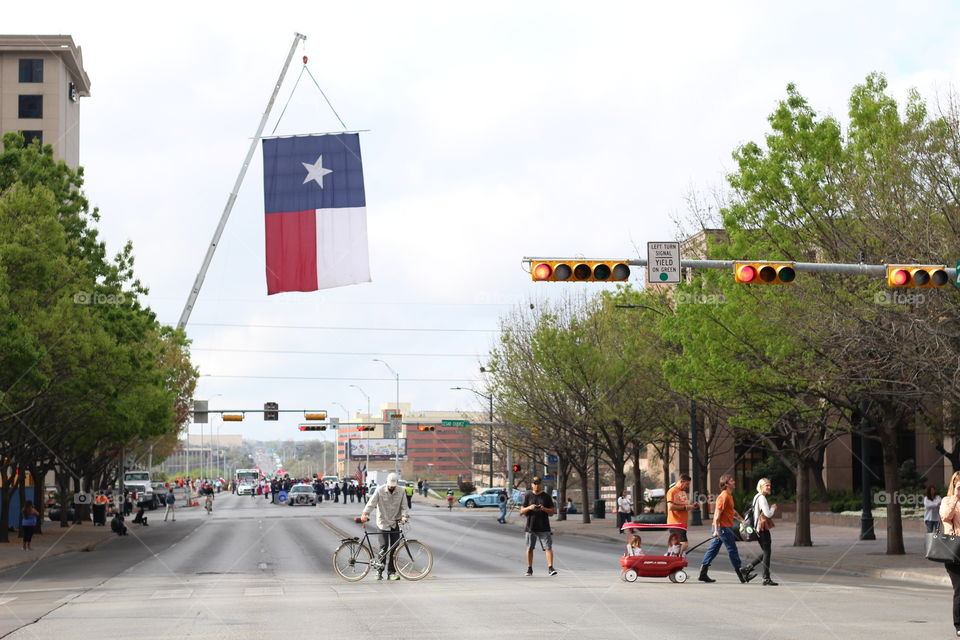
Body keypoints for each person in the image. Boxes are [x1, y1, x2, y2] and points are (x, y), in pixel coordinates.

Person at [698, 474, 754, 584]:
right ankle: (741, 574)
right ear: (726, 484)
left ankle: (703, 573)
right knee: (732, 549)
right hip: (722, 527)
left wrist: (742, 520)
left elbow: (732, 511)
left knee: (713, 550)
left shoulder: (729, 496)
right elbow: (717, 514)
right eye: (731, 480)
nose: (734, 481)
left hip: (722, 527)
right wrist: (716, 530)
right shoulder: (723, 496)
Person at [360, 472, 409, 581]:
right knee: (384, 546)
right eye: (390, 484)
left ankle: (391, 572)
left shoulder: (401, 491)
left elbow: (404, 506)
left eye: (394, 484)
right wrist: (365, 513)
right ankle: (379, 571)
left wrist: (404, 516)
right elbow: (371, 503)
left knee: (394, 549)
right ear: (387, 482)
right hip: (382, 522)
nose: (392, 486)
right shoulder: (380, 490)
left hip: (394, 522)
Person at [741, 478, 778, 586]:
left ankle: (747, 569)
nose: (769, 487)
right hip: (762, 529)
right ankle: (766, 578)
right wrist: (773, 508)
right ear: (761, 486)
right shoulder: (762, 498)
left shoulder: (756, 496)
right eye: (767, 485)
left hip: (758, 529)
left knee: (766, 552)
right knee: (767, 553)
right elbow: (768, 514)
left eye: (769, 485)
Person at [521, 476, 557, 577]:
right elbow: (521, 511)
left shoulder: (546, 496)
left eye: (538, 483)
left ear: (541, 484)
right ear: (532, 485)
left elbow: (552, 512)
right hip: (530, 526)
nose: (536, 485)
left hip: (544, 526)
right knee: (529, 548)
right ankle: (529, 568)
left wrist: (544, 508)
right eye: (534, 483)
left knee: (548, 547)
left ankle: (550, 568)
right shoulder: (528, 496)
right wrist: (529, 507)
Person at [939, 470, 960, 636]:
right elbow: (946, 517)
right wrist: (956, 498)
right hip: (954, 551)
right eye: (958, 484)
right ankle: (959, 625)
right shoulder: (947, 501)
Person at [666, 474, 696, 555]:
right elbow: (670, 507)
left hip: (682, 524)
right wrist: (685, 507)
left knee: (678, 545)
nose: (688, 486)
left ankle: (671, 556)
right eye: (687, 484)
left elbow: (683, 506)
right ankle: (672, 556)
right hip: (675, 523)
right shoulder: (672, 491)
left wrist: (692, 506)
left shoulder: (682, 492)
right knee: (684, 544)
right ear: (681, 481)